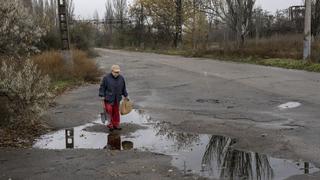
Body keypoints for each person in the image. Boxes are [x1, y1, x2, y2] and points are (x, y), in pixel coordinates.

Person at [99, 65, 128, 131]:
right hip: (108, 98)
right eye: (115, 72)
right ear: (112, 71)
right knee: (109, 111)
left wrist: (126, 95)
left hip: (117, 98)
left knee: (116, 112)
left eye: (118, 72)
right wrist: (102, 95)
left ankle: (116, 124)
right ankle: (110, 124)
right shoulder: (106, 78)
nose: (117, 73)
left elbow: (123, 88)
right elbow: (102, 87)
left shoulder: (121, 78)